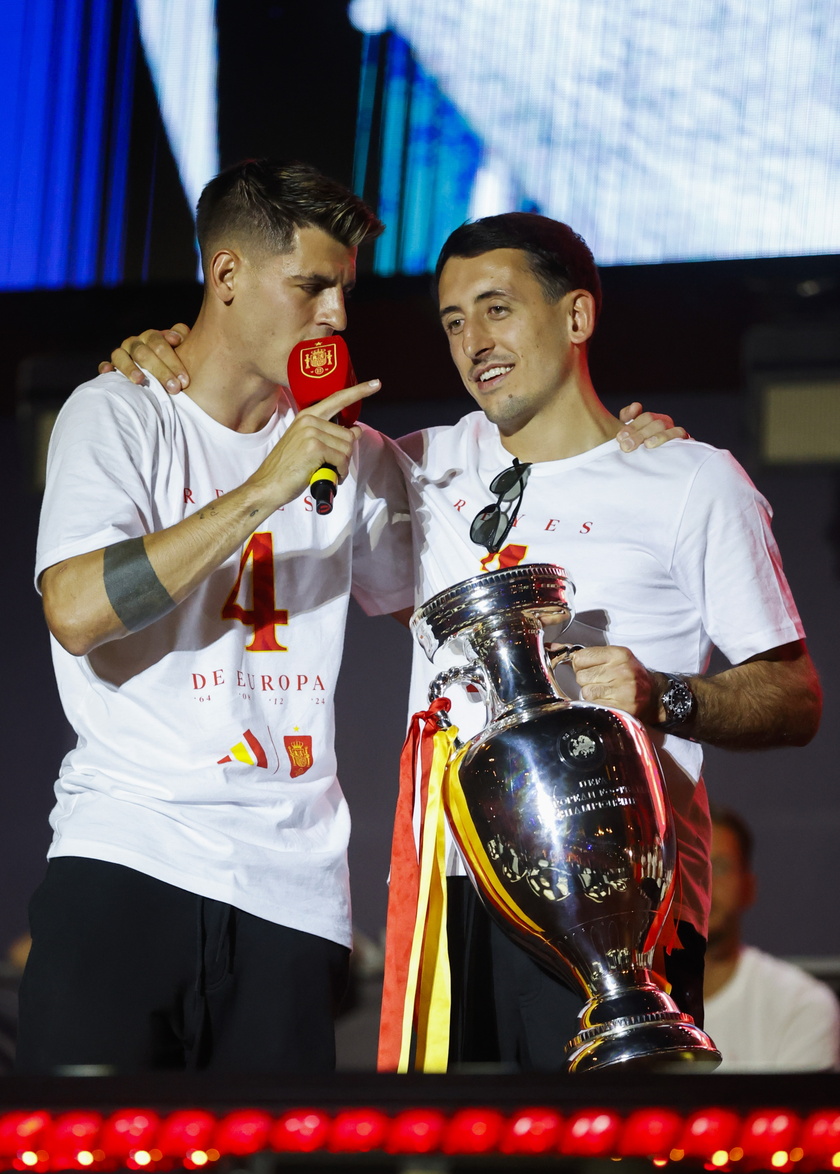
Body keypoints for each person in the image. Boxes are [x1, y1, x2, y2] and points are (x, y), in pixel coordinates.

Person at [99, 212, 820, 1074]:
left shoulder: (690, 481)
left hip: (620, 907)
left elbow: (795, 696)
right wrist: (166, 348)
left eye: (497, 308)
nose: (474, 341)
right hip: (452, 909)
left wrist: (660, 694)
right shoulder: (416, 470)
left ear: (577, 318)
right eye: (451, 321)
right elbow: (247, 417)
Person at [16, 158, 415, 1075]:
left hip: (293, 891)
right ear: (227, 275)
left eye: (344, 291)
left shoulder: (344, 445)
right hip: (127, 852)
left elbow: (442, 593)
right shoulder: (117, 413)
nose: (337, 317)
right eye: (312, 286)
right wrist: (266, 489)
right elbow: (74, 611)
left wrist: (626, 444)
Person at [703, 805, 840, 1072]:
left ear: (748, 887)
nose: (703, 883)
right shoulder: (624, 1007)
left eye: (720, 868)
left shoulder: (801, 1006)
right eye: (691, 866)